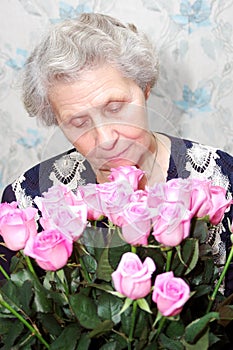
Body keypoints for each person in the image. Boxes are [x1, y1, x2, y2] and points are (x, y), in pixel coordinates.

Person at [0, 13, 233, 299]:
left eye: (115, 107)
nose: (106, 139)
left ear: (145, 88)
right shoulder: (26, 202)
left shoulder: (219, 178)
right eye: (78, 122)